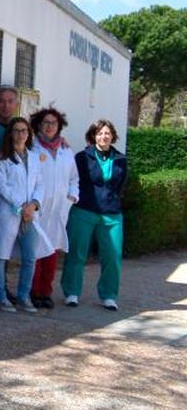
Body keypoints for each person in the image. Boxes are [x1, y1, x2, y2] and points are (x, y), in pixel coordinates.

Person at [0, 117, 47, 314]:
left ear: (29, 134)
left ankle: (23, 296)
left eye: (24, 130)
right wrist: (21, 207)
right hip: (8, 212)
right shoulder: (3, 158)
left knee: (30, 257)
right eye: (17, 130)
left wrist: (34, 205)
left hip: (29, 215)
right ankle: (0, 296)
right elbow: (1, 186)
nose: (21, 134)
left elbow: (40, 184)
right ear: (10, 134)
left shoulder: (35, 157)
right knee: (1, 255)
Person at [62, 119, 127, 310]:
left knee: (113, 255)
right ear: (93, 136)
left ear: (112, 136)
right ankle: (71, 292)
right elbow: (74, 180)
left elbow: (121, 184)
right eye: (99, 133)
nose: (103, 136)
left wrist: (112, 200)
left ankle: (108, 295)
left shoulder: (121, 159)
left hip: (111, 214)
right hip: (83, 211)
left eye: (107, 133)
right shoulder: (82, 157)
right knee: (77, 253)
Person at [29, 107, 79, 309]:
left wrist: (72, 197)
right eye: (46, 122)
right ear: (39, 125)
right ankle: (32, 291)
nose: (49, 126)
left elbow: (74, 178)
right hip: (38, 208)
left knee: (52, 253)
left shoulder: (67, 150)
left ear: (59, 126)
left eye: (53, 123)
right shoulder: (32, 148)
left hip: (59, 208)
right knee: (35, 251)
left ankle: (45, 292)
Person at [0, 86, 20, 153]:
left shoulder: (21, 128)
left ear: (17, 105)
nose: (6, 106)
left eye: (10, 101)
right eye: (1, 101)